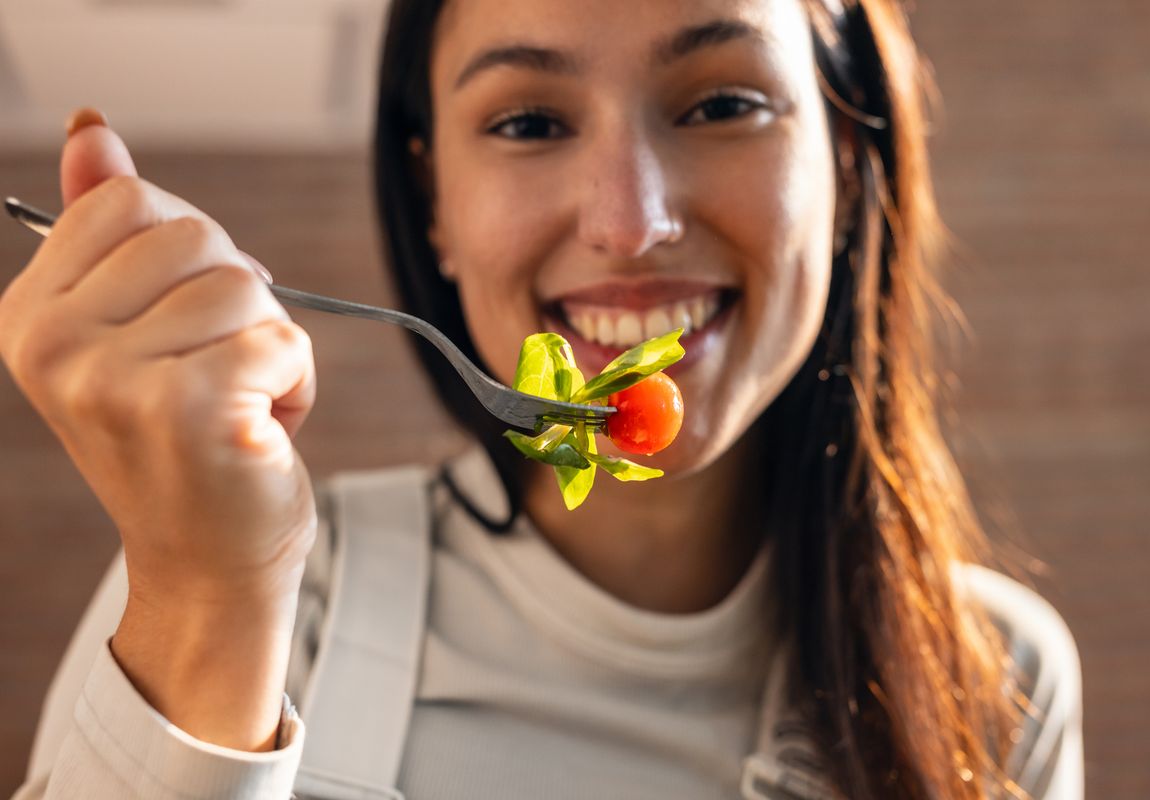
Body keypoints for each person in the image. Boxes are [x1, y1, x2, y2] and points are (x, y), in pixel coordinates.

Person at [4, 0, 1084, 798]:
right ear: (435, 198)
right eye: (528, 123)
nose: (629, 220)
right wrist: (210, 597)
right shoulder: (257, 587)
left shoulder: (995, 677)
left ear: (848, 163)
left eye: (721, 102)